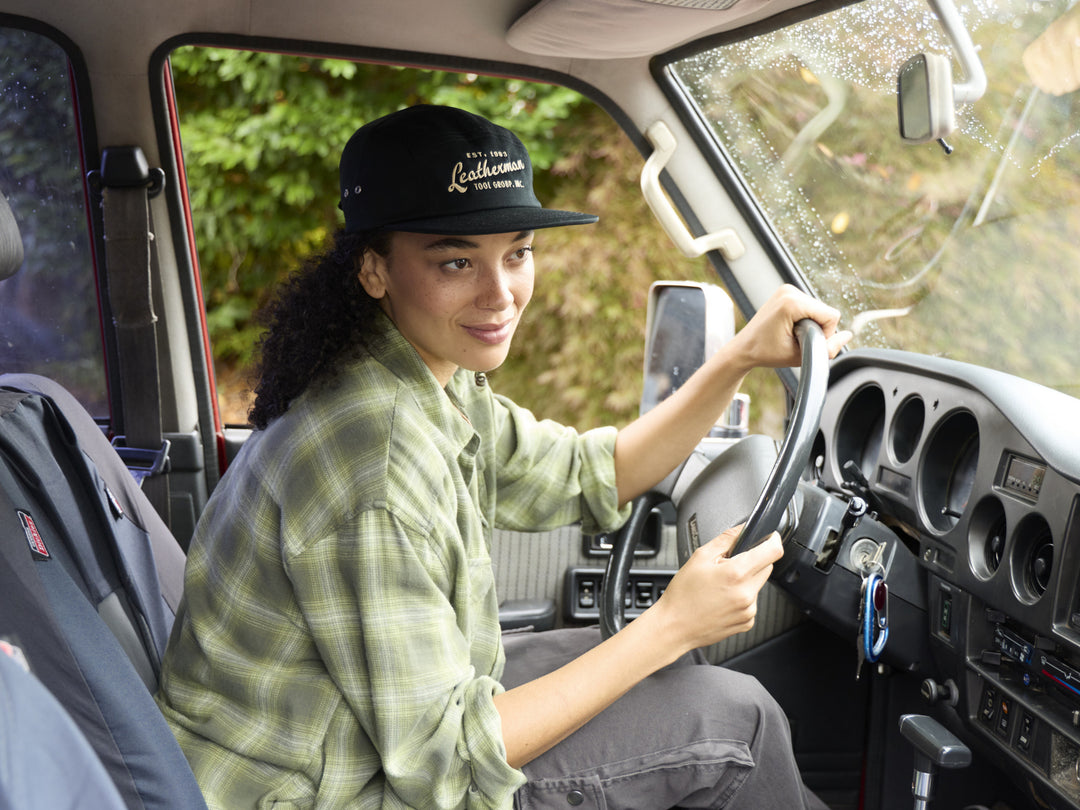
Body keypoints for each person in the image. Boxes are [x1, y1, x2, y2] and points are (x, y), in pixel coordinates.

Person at [155, 104, 850, 809]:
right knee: (738, 721)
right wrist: (669, 623)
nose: (501, 295)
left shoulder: (423, 379)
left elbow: (591, 473)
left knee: (665, 667)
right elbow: (446, 766)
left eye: (517, 253)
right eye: (457, 261)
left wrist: (738, 358)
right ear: (374, 270)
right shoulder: (375, 464)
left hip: (355, 736)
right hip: (322, 791)